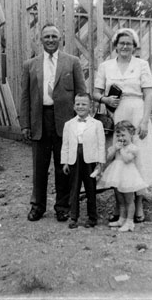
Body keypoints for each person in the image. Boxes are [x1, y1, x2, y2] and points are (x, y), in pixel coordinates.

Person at [20, 23, 86, 222]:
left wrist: (80, 122)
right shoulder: (30, 65)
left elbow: (81, 93)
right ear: (41, 40)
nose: (50, 40)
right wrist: (25, 124)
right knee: (39, 167)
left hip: (65, 122)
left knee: (63, 165)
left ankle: (62, 206)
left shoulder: (72, 62)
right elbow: (25, 97)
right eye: (46, 36)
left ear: (61, 39)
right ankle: (37, 206)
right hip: (39, 120)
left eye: (54, 36)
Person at [93, 27, 152, 223]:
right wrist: (105, 100)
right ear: (115, 46)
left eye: (129, 44)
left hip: (137, 111)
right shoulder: (106, 66)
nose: (125, 46)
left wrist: (145, 121)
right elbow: (96, 93)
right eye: (121, 43)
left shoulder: (141, 65)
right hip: (117, 114)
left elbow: (148, 94)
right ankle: (119, 205)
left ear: (134, 47)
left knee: (138, 157)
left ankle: (138, 204)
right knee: (118, 157)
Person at [61, 93, 106, 229]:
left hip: (90, 160)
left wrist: (100, 163)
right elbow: (66, 144)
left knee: (90, 188)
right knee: (74, 188)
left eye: (84, 104)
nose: (80, 107)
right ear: (74, 106)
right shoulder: (68, 124)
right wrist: (65, 162)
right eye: (78, 104)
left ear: (90, 106)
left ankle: (92, 217)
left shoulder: (97, 124)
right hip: (74, 159)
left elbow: (101, 144)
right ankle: (74, 216)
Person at [99, 121, 147, 232]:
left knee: (129, 199)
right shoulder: (117, 146)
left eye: (123, 135)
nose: (121, 138)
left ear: (131, 134)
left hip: (128, 175)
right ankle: (122, 218)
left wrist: (121, 149)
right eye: (118, 135)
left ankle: (130, 222)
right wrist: (114, 149)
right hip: (116, 173)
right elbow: (109, 158)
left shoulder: (132, 148)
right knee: (120, 199)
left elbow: (127, 159)